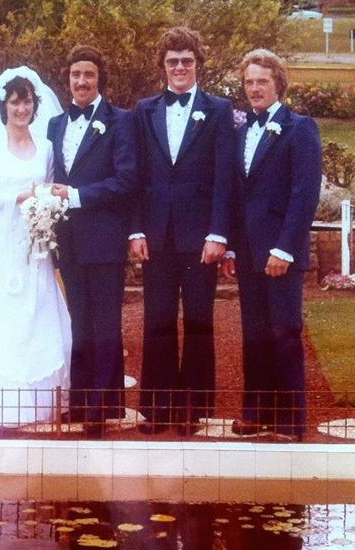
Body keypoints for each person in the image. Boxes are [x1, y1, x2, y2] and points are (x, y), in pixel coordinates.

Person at [132, 27, 234, 434]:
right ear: (163, 66)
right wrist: (135, 230)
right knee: (156, 318)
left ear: (197, 65)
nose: (179, 67)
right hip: (155, 235)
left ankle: (193, 409)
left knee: (197, 318)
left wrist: (219, 235)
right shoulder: (144, 110)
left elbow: (225, 176)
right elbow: (137, 176)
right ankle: (156, 410)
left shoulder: (219, 110)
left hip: (200, 238)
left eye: (186, 61)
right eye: (172, 61)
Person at [0, 68, 71, 429]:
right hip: (0, 245)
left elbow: (54, 188)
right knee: (2, 316)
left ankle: (42, 402)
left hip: (35, 244)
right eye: (15, 102)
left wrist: (43, 207)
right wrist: (19, 197)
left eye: (27, 102)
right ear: (4, 107)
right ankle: (0, 404)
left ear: (34, 106)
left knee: (36, 314)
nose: (21, 108)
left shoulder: (46, 149)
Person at [227, 49, 322, 441]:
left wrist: (284, 248)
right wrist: (232, 248)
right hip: (248, 252)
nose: (254, 88)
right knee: (254, 333)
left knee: (284, 332)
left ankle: (290, 420)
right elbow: (236, 195)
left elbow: (304, 193)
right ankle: (257, 412)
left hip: (281, 251)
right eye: (249, 82)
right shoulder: (241, 130)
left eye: (261, 81)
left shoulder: (300, 128)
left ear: (278, 84)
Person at [48, 45, 138, 437]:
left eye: (89, 75)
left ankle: (103, 407)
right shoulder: (54, 124)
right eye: (75, 75)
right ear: (67, 79)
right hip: (67, 240)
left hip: (104, 238)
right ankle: (82, 401)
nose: (81, 82)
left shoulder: (120, 122)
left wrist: (77, 196)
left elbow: (127, 180)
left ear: (99, 79)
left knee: (105, 324)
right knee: (79, 322)